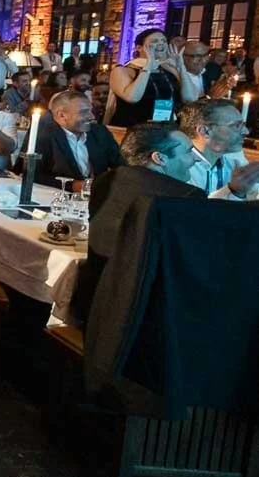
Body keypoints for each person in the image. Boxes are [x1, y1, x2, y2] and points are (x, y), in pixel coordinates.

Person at [70, 121, 259, 326]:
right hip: (147, 318)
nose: (194, 160)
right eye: (188, 152)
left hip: (94, 303)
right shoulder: (183, 196)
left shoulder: (107, 180)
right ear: (159, 158)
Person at [32, 90, 124, 189]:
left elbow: (121, 165)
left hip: (97, 197)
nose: (92, 117)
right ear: (61, 115)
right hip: (57, 196)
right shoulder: (44, 135)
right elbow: (32, 174)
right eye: (84, 112)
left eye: (91, 111)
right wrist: (73, 185)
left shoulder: (99, 132)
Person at [108, 28, 197, 127]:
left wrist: (181, 67)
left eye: (164, 41)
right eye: (155, 41)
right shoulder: (123, 70)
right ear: (139, 47)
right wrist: (148, 67)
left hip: (164, 128)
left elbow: (190, 98)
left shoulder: (169, 70)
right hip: (132, 128)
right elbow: (132, 97)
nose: (161, 43)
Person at [179, 98, 254, 198]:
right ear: (205, 131)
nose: (246, 132)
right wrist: (234, 191)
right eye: (237, 126)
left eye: (243, 125)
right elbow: (194, 210)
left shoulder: (232, 164)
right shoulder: (180, 169)